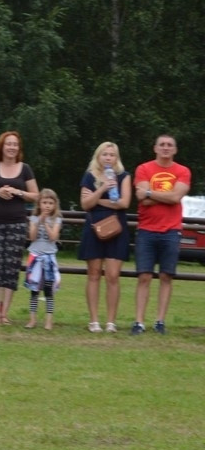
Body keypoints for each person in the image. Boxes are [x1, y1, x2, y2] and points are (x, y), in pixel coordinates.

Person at [0, 131, 39, 324]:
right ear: (1, 147)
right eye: (8, 144)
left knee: (11, 269)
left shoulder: (25, 169)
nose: (12, 147)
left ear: (19, 148)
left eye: (15, 144)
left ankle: (5, 314)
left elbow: (36, 195)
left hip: (17, 224)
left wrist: (18, 192)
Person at [131, 134, 191, 335]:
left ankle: (160, 322)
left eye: (170, 145)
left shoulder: (182, 171)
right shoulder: (144, 169)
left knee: (166, 276)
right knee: (144, 276)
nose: (165, 148)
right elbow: (141, 197)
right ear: (155, 148)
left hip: (171, 231)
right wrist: (166, 196)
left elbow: (176, 197)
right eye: (162, 145)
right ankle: (139, 322)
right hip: (147, 230)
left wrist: (150, 193)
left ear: (175, 150)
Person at [77, 142, 131, 333]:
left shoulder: (123, 176)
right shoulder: (89, 176)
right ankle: (94, 321)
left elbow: (124, 202)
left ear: (117, 158)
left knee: (113, 276)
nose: (108, 158)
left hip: (116, 228)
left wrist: (97, 200)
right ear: (97, 156)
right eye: (104, 154)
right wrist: (101, 190)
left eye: (112, 155)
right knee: (93, 274)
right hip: (94, 228)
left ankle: (111, 322)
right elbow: (84, 204)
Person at [24, 189, 62, 330]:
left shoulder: (57, 220)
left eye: (50, 203)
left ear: (54, 205)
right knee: (34, 290)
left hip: (49, 257)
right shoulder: (33, 219)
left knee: (48, 290)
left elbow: (53, 237)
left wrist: (46, 223)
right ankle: (32, 319)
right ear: (39, 204)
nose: (47, 206)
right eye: (44, 202)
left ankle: (48, 321)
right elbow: (32, 237)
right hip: (35, 257)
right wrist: (39, 221)